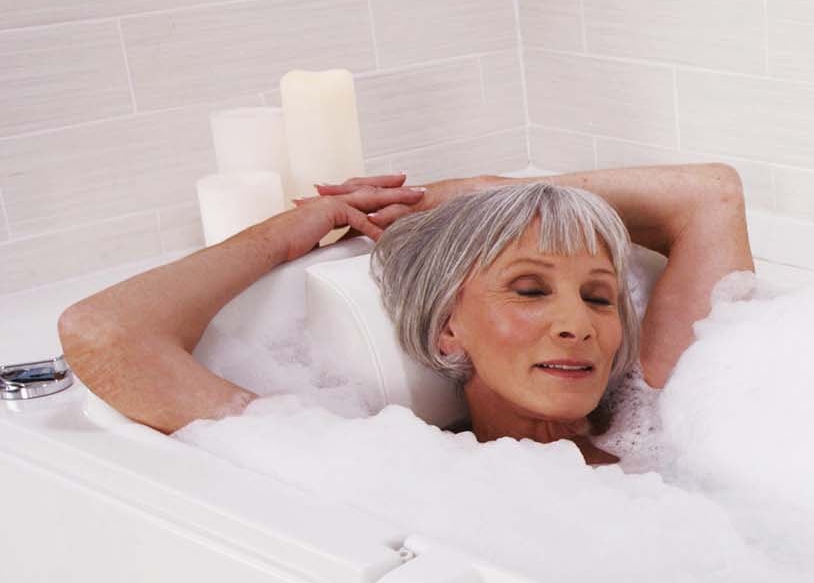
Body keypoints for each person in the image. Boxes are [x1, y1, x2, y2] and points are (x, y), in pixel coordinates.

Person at [58, 164, 754, 466]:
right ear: (449, 327)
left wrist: (476, 192)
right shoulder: (399, 471)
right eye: (529, 289)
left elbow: (709, 195)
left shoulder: (667, 412)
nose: (578, 324)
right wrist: (286, 233)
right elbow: (104, 333)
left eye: (599, 297)